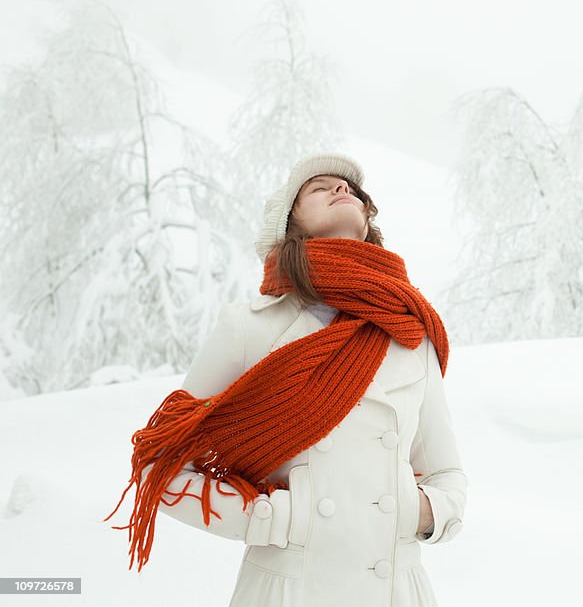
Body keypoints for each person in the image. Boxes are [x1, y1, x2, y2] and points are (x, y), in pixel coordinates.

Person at [105, 152, 468, 607]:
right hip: (286, 591)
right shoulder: (247, 327)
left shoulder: (411, 334)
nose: (343, 190)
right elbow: (160, 466)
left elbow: (447, 474)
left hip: (396, 590)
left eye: (352, 190)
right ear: (289, 222)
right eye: (321, 187)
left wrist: (415, 512)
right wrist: (274, 519)